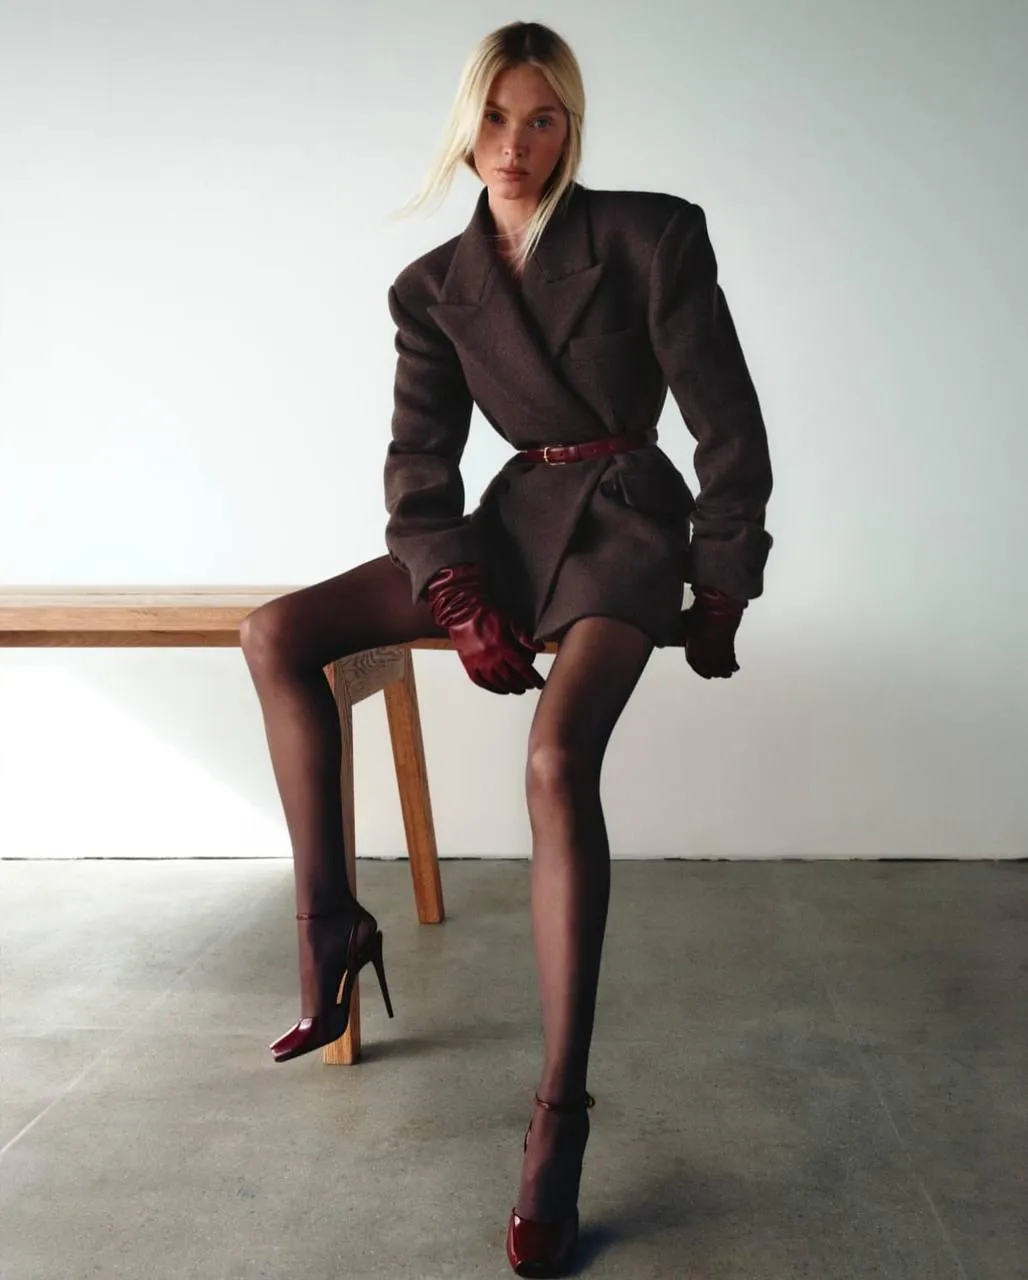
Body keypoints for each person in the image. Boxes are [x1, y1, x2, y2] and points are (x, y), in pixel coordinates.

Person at [240, 19, 773, 1278]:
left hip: (627, 523)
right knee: (276, 632)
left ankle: (557, 1114)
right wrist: (457, 588)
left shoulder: (651, 234)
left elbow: (727, 427)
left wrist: (719, 580)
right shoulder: (430, 288)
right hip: (511, 526)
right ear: (462, 126)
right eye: (493, 118)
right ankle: (330, 927)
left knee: (551, 761)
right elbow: (418, 465)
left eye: (541, 119)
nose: (514, 144)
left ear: (569, 126)